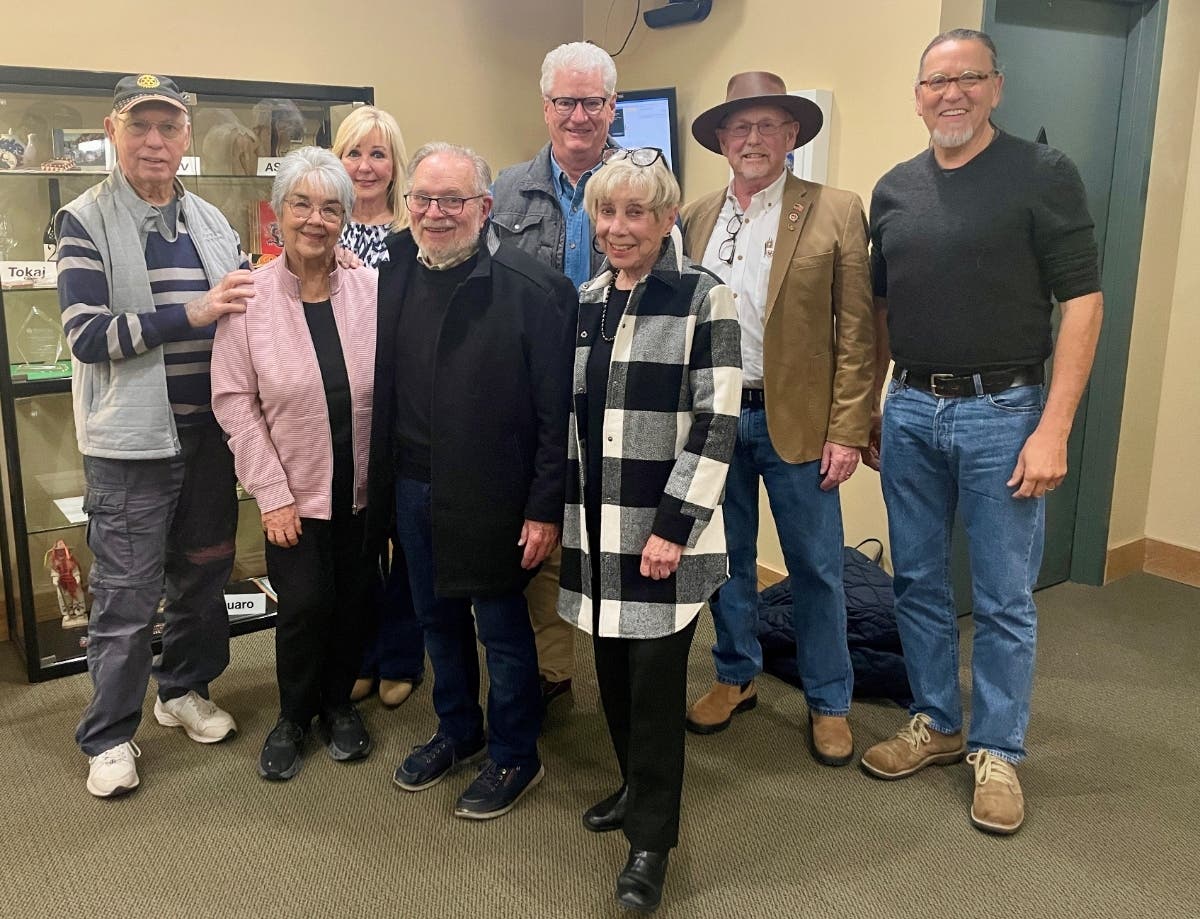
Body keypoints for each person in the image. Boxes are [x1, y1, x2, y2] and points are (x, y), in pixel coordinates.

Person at [861, 29, 1103, 835]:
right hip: (910, 408)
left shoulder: (1044, 175)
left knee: (1002, 597)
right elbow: (884, 310)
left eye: (968, 77)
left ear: (996, 86)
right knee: (917, 581)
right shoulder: (894, 189)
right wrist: (873, 404)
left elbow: (1083, 303)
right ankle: (938, 721)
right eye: (935, 81)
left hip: (1007, 413)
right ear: (918, 93)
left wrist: (1055, 426)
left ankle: (998, 749)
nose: (951, 93)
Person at [367, 142, 576, 820]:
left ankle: (516, 752)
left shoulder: (535, 289)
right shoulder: (395, 266)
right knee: (435, 619)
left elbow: (555, 418)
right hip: (414, 484)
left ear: (484, 208)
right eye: (423, 199)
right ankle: (457, 730)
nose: (435, 213)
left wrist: (545, 509)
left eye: (452, 200)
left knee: (503, 631)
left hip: (496, 492)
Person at [558, 148, 741, 914]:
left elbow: (717, 419)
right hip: (597, 528)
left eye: (637, 212)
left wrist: (673, 525)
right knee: (612, 673)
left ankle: (652, 842)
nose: (619, 227)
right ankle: (634, 787)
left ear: (668, 218)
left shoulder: (706, 297)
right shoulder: (590, 297)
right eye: (607, 212)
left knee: (657, 685)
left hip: (661, 528)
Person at [56, 74, 248, 798]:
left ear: (187, 138)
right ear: (113, 131)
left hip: (209, 437)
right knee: (126, 599)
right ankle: (108, 734)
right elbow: (85, 335)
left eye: (169, 128)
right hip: (131, 446)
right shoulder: (82, 220)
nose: (155, 142)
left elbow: (241, 301)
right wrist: (189, 314)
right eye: (141, 127)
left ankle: (182, 690)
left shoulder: (209, 220)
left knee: (202, 576)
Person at [679, 72, 875, 766]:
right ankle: (735, 675)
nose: (753, 139)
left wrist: (849, 429)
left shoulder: (835, 210)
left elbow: (857, 333)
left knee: (816, 567)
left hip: (798, 422)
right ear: (722, 141)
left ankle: (829, 699)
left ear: (792, 136)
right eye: (741, 128)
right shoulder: (695, 216)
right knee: (725, 561)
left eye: (768, 126)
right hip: (715, 419)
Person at [211, 147, 379, 782]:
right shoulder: (249, 297)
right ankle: (293, 715)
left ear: (345, 217)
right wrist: (271, 494)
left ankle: (338, 705)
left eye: (330, 208)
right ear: (277, 215)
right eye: (301, 205)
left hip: (361, 486)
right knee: (305, 603)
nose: (316, 219)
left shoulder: (369, 289)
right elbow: (234, 401)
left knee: (353, 600)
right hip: (292, 491)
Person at [491, 41, 619, 708]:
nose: (578, 115)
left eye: (591, 101)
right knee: (539, 528)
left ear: (611, 107)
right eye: (566, 101)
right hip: (529, 395)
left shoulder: (641, 188)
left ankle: (626, 674)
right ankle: (552, 668)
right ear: (545, 107)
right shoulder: (504, 191)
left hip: (614, 395)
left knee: (614, 532)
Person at [331, 105, 425, 711]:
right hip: (339, 409)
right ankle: (361, 655)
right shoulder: (318, 229)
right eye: (353, 153)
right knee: (356, 544)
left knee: (407, 542)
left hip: (404, 405)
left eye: (378, 154)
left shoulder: (416, 234)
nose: (365, 167)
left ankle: (401, 655)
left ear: (395, 165)